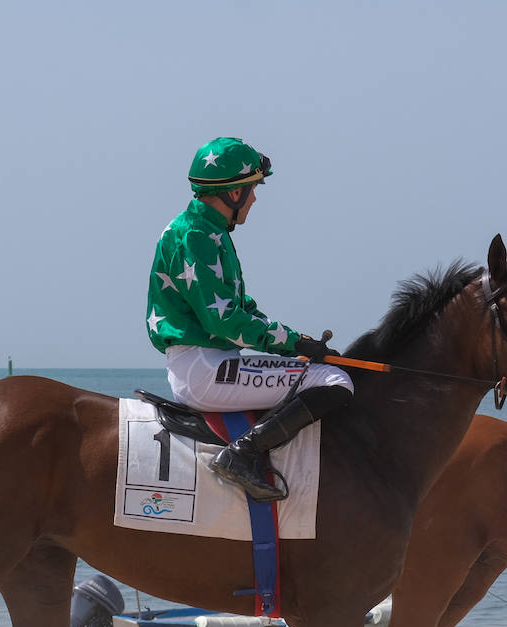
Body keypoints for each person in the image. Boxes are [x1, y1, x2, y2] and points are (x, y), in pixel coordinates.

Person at [146, 137, 353, 501]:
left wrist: (297, 343)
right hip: (204, 368)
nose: (255, 198)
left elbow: (241, 308)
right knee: (336, 382)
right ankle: (240, 454)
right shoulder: (196, 234)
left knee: (319, 371)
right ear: (233, 193)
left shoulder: (206, 229)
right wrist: (292, 344)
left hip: (209, 362)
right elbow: (224, 322)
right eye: (252, 189)